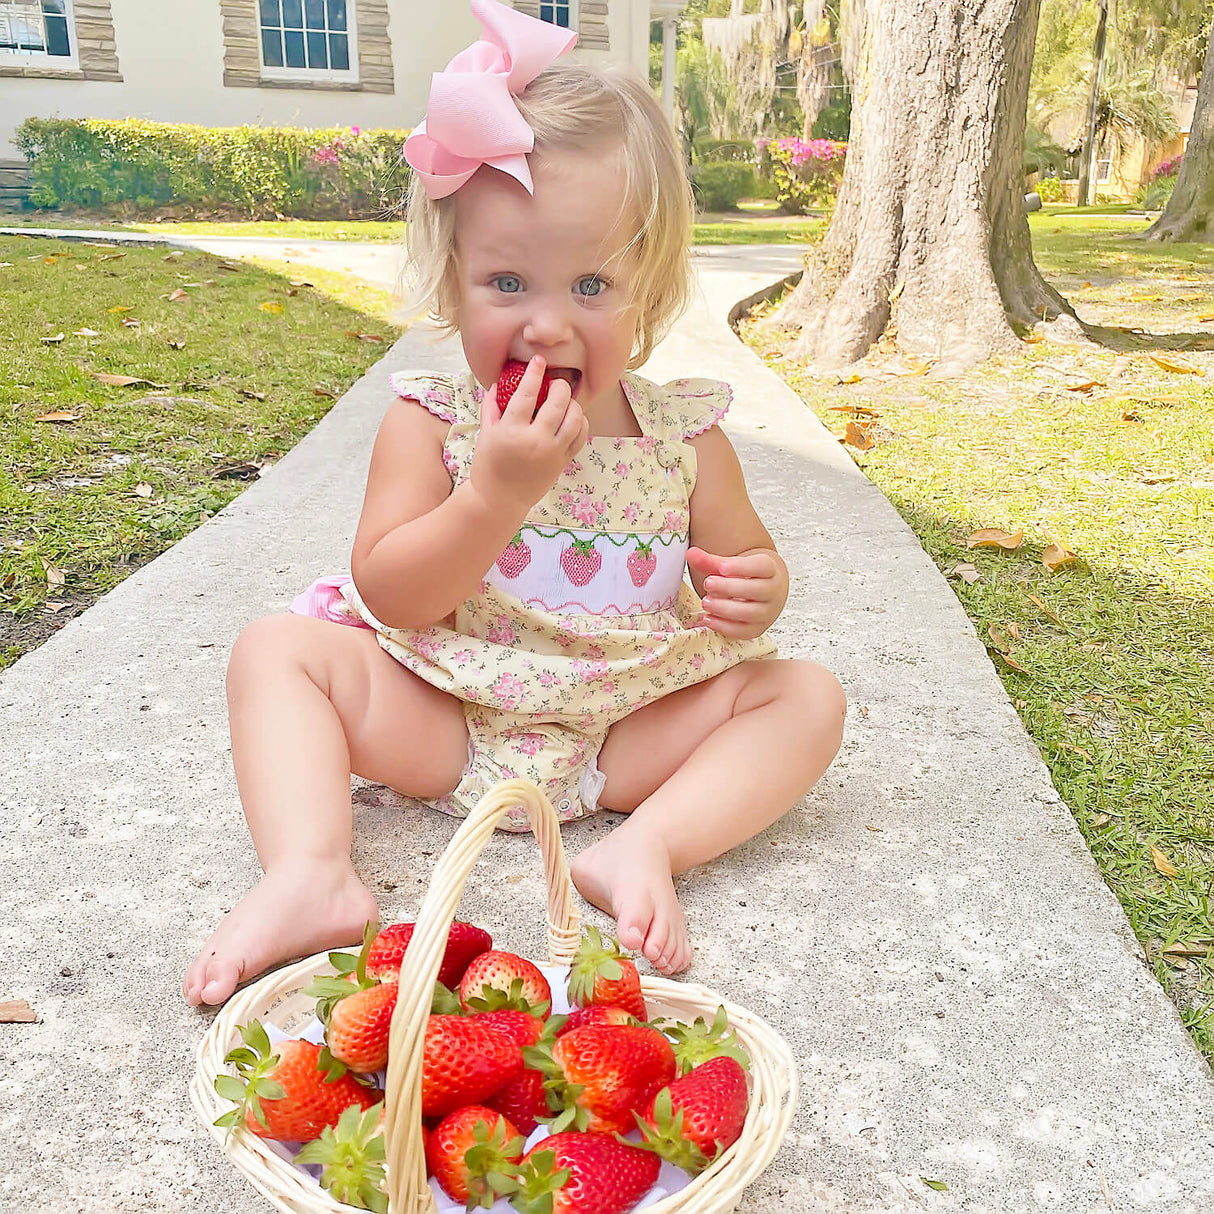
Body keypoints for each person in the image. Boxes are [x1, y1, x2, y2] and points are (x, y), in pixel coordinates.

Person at [182, 0, 845, 1008]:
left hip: (623, 729)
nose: (546, 325)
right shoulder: (432, 424)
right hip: (447, 708)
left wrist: (755, 588)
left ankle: (641, 846)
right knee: (274, 651)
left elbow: (747, 571)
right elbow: (391, 592)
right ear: (451, 285)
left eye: (589, 283)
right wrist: (493, 490)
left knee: (804, 697)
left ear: (649, 290)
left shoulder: (684, 438)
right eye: (505, 281)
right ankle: (310, 869)